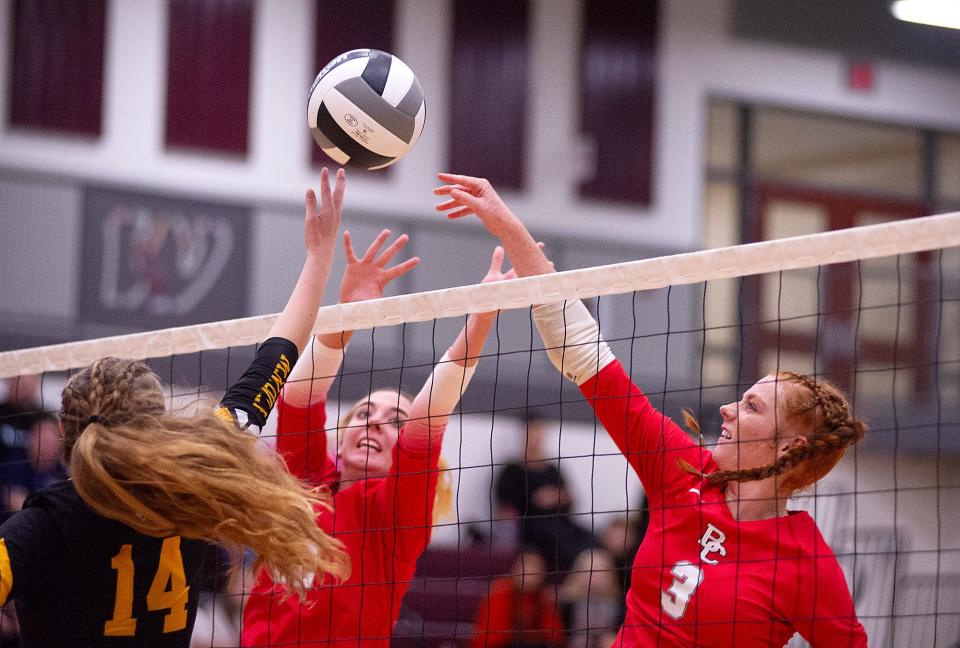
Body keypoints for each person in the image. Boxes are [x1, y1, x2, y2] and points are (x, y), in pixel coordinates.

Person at [434, 173, 869, 647]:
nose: (725, 409)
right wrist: (511, 229)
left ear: (789, 444)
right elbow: (584, 355)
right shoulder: (682, 470)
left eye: (751, 406)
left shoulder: (806, 566)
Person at [0, 168, 351, 647]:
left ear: (65, 430)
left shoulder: (42, 524)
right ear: (156, 425)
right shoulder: (195, 483)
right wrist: (319, 255)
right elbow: (277, 357)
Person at [241, 233, 514, 647]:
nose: (374, 423)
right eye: (365, 414)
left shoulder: (396, 513)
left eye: (394, 421)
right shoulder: (306, 479)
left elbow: (428, 419)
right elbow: (300, 394)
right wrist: (347, 311)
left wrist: (479, 325)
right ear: (342, 435)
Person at [495, 415, 598, 575]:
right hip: (530, 526)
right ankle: (581, 570)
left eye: (539, 432)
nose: (536, 437)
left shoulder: (552, 469)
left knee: (590, 537)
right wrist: (535, 499)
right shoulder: (512, 470)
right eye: (532, 432)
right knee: (560, 539)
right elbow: (505, 504)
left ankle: (592, 568)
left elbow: (569, 497)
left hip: (560, 522)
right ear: (523, 435)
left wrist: (557, 497)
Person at [470, 546, 565, 648]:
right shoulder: (499, 593)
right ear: (515, 568)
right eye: (527, 564)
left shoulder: (544, 598)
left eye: (536, 566)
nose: (531, 571)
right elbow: (491, 640)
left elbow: (556, 638)